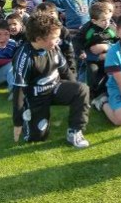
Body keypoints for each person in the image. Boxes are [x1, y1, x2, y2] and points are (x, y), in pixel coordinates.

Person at [12, 14, 90, 148]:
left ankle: (75, 131)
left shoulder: (54, 48)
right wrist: (17, 122)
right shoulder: (24, 57)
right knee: (36, 138)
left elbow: (65, 71)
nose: (58, 41)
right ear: (38, 39)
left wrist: (75, 91)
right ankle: (28, 117)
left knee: (82, 89)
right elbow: (19, 91)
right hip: (37, 97)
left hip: (55, 88)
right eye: (54, 38)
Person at [74, 2, 118, 101]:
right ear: (94, 21)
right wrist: (81, 52)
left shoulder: (111, 27)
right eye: (103, 20)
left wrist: (108, 47)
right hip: (91, 58)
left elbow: (119, 43)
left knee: (112, 72)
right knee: (93, 71)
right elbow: (77, 40)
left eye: (108, 19)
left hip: (109, 57)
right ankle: (92, 93)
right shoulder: (88, 29)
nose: (107, 22)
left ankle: (111, 91)